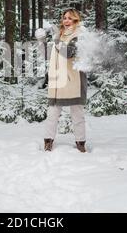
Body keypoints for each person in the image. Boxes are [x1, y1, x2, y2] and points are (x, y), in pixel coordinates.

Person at [35, 9, 88, 152]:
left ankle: (80, 143)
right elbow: (48, 55)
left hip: (74, 82)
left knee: (77, 115)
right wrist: (41, 41)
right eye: (64, 18)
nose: (66, 21)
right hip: (57, 82)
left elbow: (68, 53)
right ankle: (48, 141)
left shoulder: (80, 36)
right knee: (52, 114)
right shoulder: (60, 35)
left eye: (70, 18)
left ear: (76, 20)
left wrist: (56, 39)